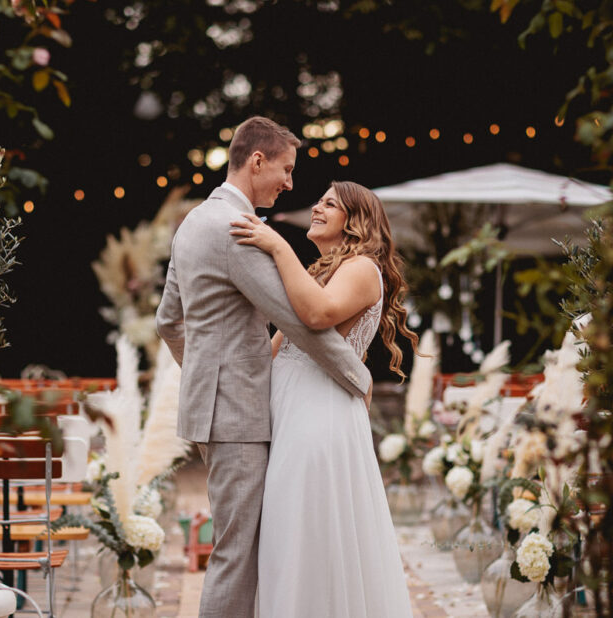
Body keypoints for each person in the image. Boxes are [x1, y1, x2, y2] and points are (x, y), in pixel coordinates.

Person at [155, 117, 373, 618]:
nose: (290, 183)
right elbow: (297, 320)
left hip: (219, 411)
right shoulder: (236, 229)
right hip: (237, 416)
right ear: (257, 161)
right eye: (286, 169)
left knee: (240, 547)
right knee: (236, 556)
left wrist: (204, 376)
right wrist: (357, 376)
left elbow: (168, 321)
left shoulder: (194, 221)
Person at [229, 180, 418, 617]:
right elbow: (275, 350)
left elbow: (319, 314)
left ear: (356, 221)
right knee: (286, 530)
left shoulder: (362, 268)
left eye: (329, 204)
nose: (317, 208)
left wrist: (278, 247)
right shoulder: (320, 272)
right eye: (319, 201)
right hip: (291, 410)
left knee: (304, 529)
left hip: (320, 413)